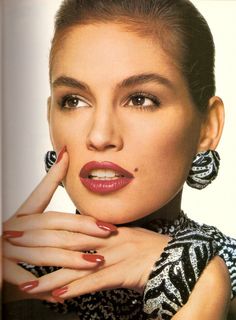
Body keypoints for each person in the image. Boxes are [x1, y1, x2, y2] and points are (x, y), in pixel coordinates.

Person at [2, 0, 236, 319]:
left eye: (140, 100)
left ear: (207, 126)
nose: (99, 136)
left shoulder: (226, 272)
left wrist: (207, 283)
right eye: (74, 101)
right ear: (50, 117)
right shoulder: (13, 275)